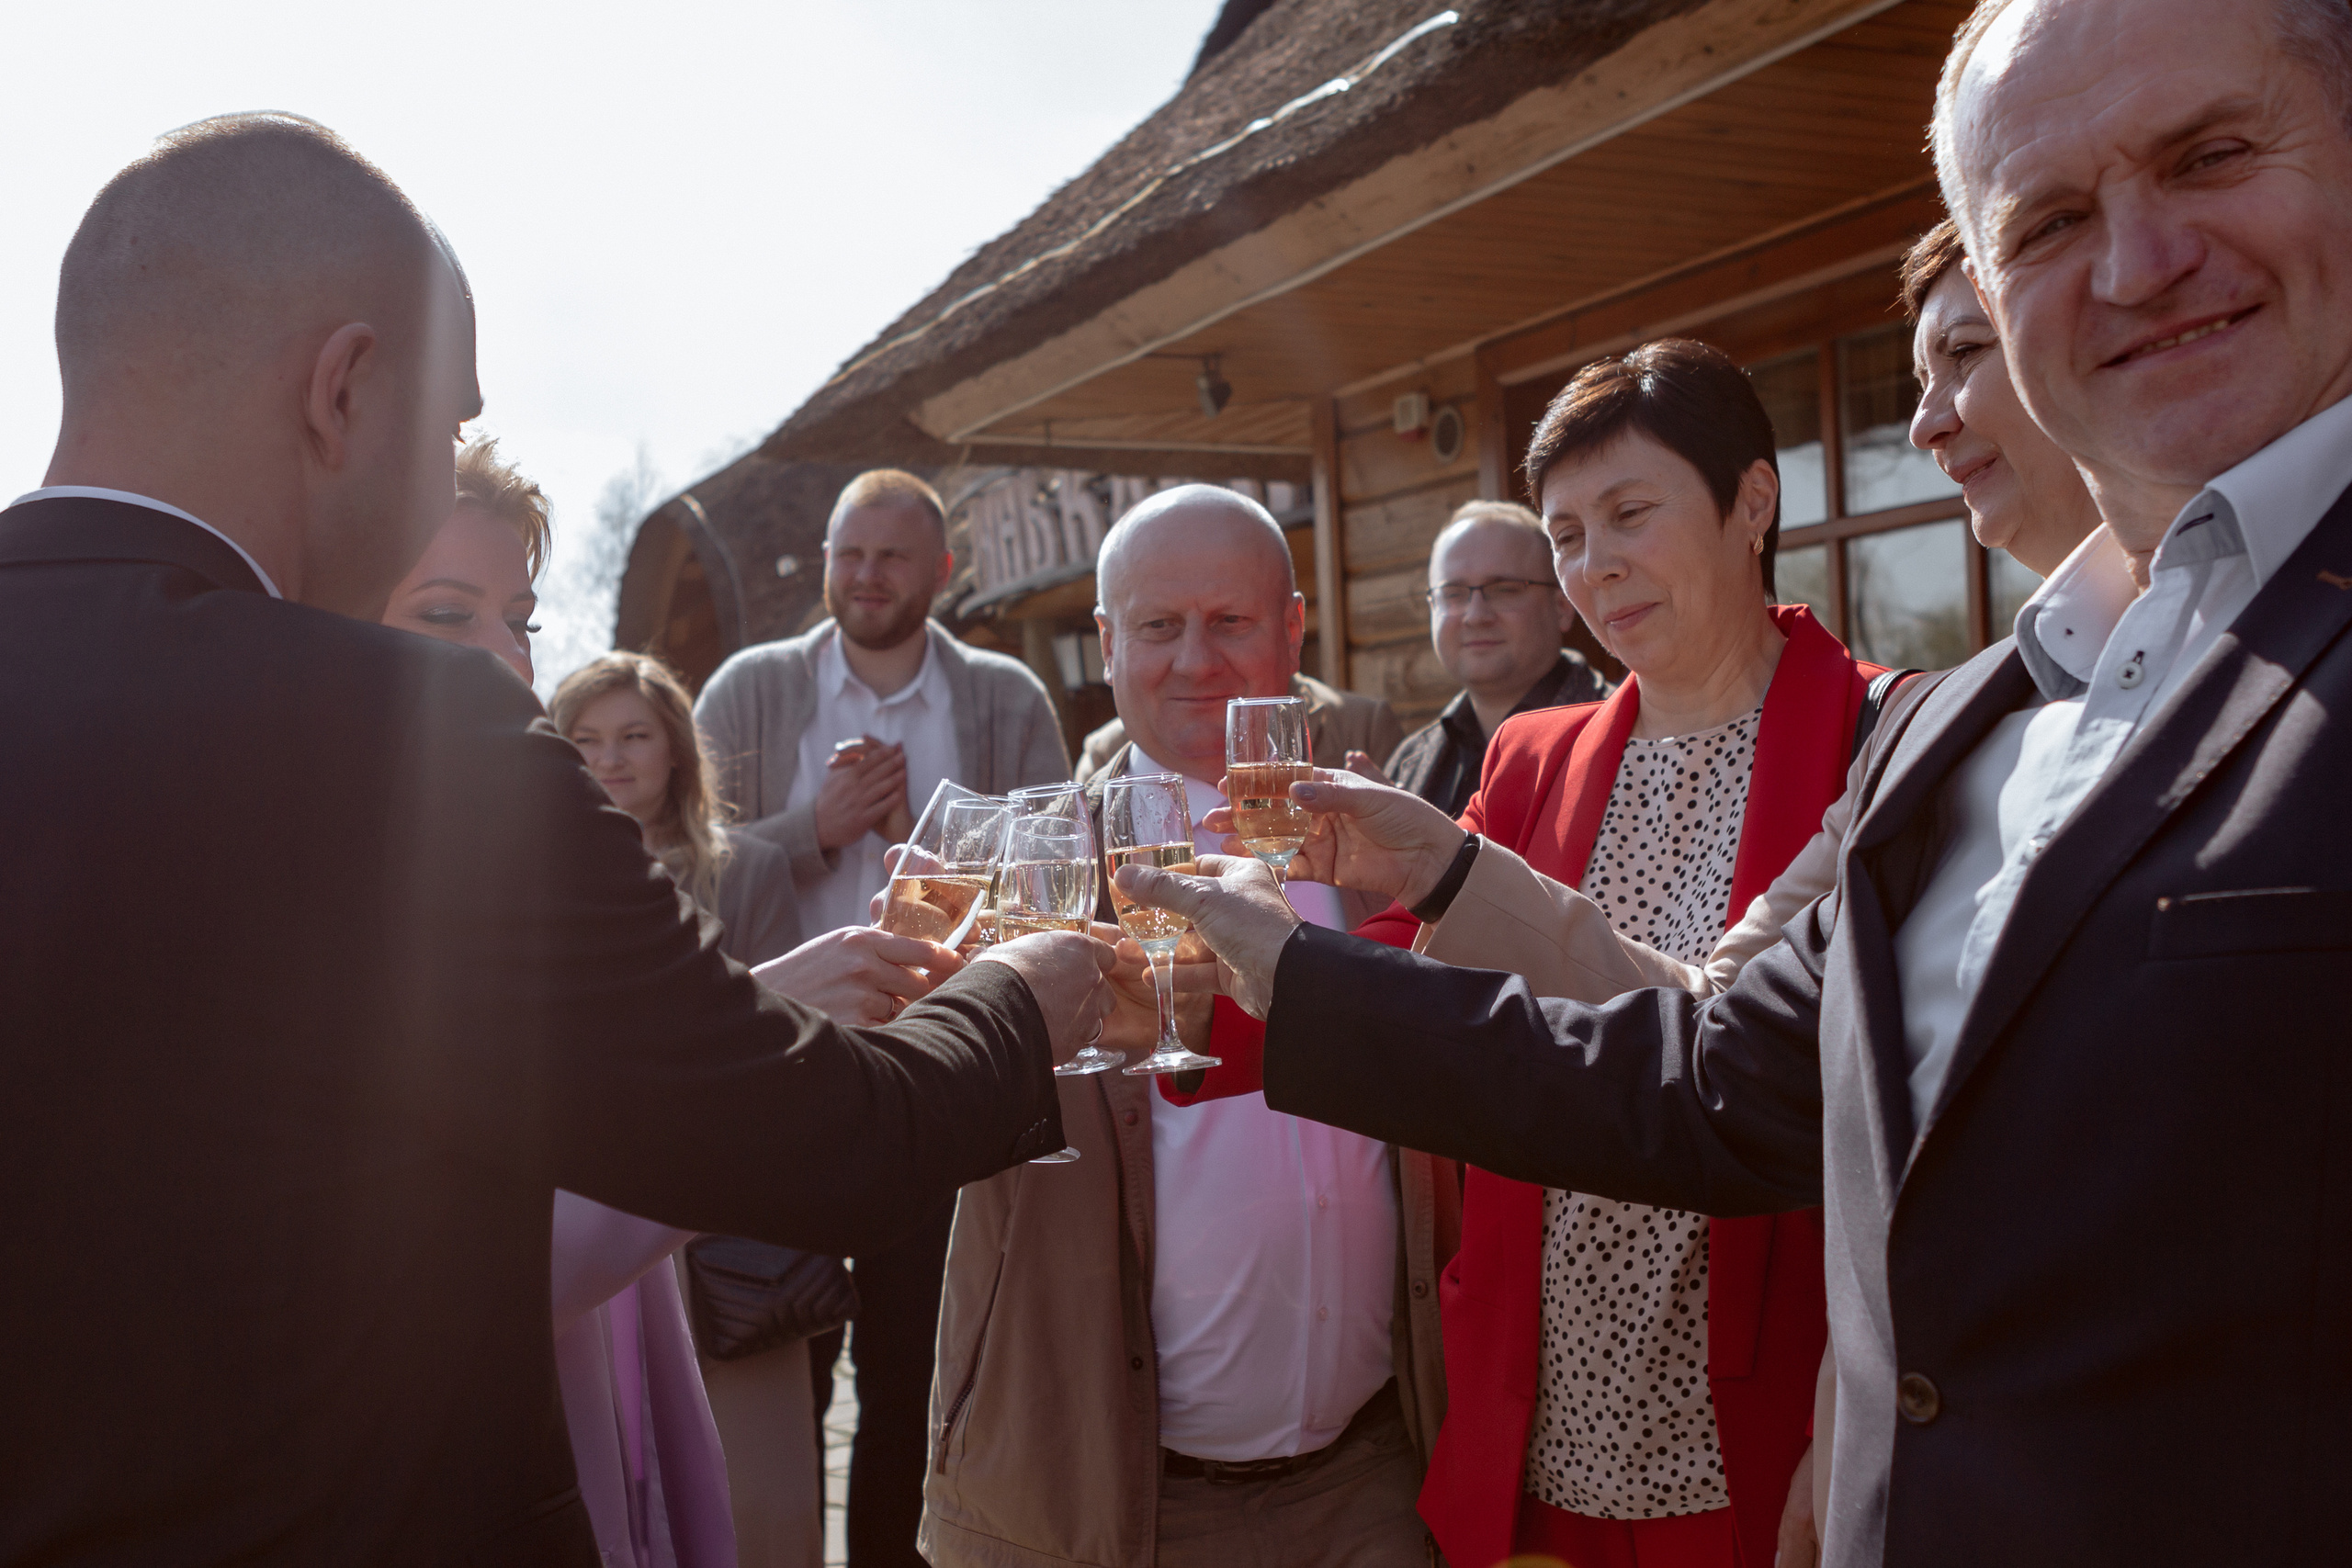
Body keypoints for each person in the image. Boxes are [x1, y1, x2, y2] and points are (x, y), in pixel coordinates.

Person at [1116, 1, 2352, 1562]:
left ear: (1751, 503)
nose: (2137, 262)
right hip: (1566, 1416)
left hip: (1756, 1431)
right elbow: (1706, 1069)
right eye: (2046, 222)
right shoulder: (1981, 720)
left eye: (2213, 154)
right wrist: (1273, 967)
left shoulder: (1879, 717)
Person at [0, 113, 1115, 1566]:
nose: (443, 471)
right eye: (449, 425)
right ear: (344, 391)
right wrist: (1020, 997)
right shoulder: (403, 741)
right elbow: (821, 1143)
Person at [1177, 344, 1851, 1568]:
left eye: (1630, 514)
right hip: (1539, 1393)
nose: (1596, 565)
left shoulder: (1876, 736)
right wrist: (1165, 1001)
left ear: (1752, 500)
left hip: (1761, 1401)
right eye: (1569, 535)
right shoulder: (1534, 755)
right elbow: (1403, 972)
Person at [920, 486, 1452, 1568]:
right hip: (1122, 1505)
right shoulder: (1034, 872)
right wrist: (932, 1001)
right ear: (1108, 643)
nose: (1194, 660)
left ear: (1292, 629)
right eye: (1159, 626)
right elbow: (933, 1122)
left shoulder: (1379, 844)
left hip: (1376, 1477)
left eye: (1230, 621)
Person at [694, 467, 1070, 1568]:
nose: (864, 575)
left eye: (890, 556)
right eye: (847, 555)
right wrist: (809, 830)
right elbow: (684, 867)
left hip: (936, 1077)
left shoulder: (1003, 696)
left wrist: (924, 844)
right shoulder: (747, 689)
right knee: (785, 1372)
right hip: (784, 1074)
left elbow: (1058, 873)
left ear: (941, 572)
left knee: (916, 1378)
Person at [1380, 499, 1607, 814]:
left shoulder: (1623, 733)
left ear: (1562, 607)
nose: (1476, 616)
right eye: (1453, 594)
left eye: (1505, 589)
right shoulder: (1410, 761)